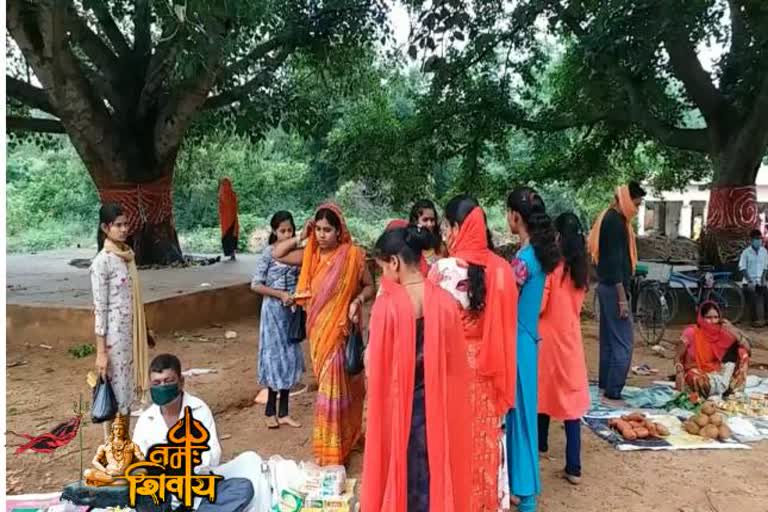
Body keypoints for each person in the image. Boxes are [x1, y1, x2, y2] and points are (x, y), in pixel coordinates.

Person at [362, 226, 472, 512]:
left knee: (402, 475)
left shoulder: (386, 307)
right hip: (436, 408)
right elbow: (455, 365)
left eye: (382, 268)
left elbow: (375, 370)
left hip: (399, 408)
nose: (382, 276)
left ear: (394, 262)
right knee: (431, 477)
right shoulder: (446, 302)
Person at [428, 195, 518, 512]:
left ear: (458, 228)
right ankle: (484, 502)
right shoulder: (502, 270)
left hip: (451, 366)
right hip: (490, 367)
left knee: (453, 438)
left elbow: (431, 326)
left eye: (447, 228)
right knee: (486, 436)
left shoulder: (442, 270)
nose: (445, 235)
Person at [272, 203, 375, 465]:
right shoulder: (311, 255)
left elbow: (369, 286)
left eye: (327, 230)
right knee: (330, 387)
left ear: (339, 231)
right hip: (319, 334)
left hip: (341, 332)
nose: (321, 234)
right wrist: (301, 236)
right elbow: (278, 253)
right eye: (317, 229)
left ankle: (335, 449)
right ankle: (337, 445)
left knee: (337, 388)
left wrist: (357, 301)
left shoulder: (353, 255)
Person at [132, 354, 271, 512]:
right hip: (162, 495)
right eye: (157, 383)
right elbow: (137, 462)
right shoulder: (146, 420)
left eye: (168, 381)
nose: (162, 387)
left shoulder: (199, 410)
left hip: (198, 489)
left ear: (181, 382)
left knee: (243, 488)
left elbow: (213, 454)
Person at [505, 187, 560, 512]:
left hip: (517, 342)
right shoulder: (536, 254)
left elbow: (506, 302)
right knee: (519, 416)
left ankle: (526, 496)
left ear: (515, 216)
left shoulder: (524, 260)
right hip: (527, 339)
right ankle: (518, 488)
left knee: (521, 418)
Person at [537, 212, 590, 487]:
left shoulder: (552, 269)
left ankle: (540, 445)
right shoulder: (581, 270)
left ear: (557, 236)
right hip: (571, 341)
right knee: (571, 404)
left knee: (542, 392)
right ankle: (574, 467)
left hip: (547, 340)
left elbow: (540, 306)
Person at [91, 203, 150, 438]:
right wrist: (101, 353)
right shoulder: (102, 262)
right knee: (117, 393)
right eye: (118, 225)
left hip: (130, 335)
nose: (124, 229)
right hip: (113, 339)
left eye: (126, 224)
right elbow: (100, 309)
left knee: (127, 392)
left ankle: (122, 443)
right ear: (105, 228)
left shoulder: (126, 256)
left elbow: (134, 299)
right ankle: (115, 446)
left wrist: (144, 330)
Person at [587, 181, 646, 404]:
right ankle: (613, 391)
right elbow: (614, 263)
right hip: (614, 288)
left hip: (607, 287)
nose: (637, 210)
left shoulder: (612, 218)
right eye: (636, 204)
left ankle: (606, 385)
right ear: (627, 200)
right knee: (624, 342)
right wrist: (622, 298)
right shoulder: (615, 222)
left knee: (610, 340)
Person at [251, 211, 305, 429]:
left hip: (291, 311)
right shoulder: (269, 253)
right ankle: (270, 411)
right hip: (273, 312)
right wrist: (279, 294)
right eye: (282, 231)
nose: (287, 234)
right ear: (274, 231)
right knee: (275, 358)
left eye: (290, 230)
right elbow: (256, 284)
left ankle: (284, 412)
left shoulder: (298, 253)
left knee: (289, 358)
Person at [674, 302, 751, 399]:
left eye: (716, 317)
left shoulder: (722, 332)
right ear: (701, 317)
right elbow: (677, 357)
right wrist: (679, 368)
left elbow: (748, 349)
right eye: (708, 318)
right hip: (698, 373)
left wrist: (732, 329)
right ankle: (707, 394)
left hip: (717, 373)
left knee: (742, 353)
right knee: (696, 377)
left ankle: (732, 393)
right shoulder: (691, 332)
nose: (713, 321)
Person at [739, 229, 768, 327]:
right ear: (751, 240)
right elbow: (742, 268)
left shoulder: (764, 252)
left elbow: (765, 267)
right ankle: (756, 320)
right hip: (748, 281)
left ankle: (765, 318)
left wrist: (763, 279)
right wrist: (750, 280)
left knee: (765, 291)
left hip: (760, 280)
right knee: (754, 292)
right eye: (756, 239)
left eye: (760, 239)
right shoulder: (746, 253)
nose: (758, 241)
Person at [409, 199, 447, 270]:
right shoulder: (407, 246)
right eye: (425, 220)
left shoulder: (441, 246)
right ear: (415, 221)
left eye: (432, 220)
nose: (429, 224)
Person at [218, 178, 239, 261]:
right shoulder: (233, 194)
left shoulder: (222, 195)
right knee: (232, 236)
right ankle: (233, 254)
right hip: (233, 220)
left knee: (228, 237)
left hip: (226, 221)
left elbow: (221, 207)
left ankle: (231, 254)